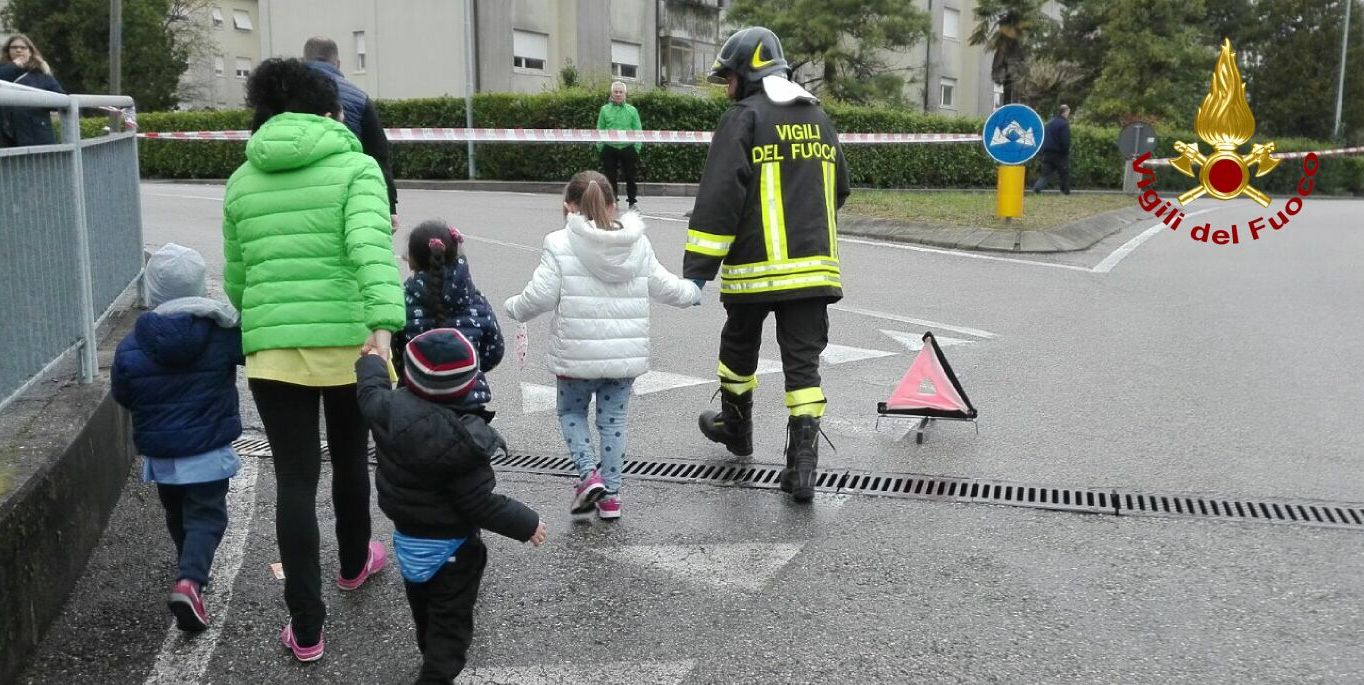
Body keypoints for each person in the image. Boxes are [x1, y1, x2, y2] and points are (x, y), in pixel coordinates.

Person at [222, 57, 405, 663]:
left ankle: (305, 629)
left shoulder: (243, 178)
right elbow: (370, 251)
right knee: (352, 458)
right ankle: (355, 565)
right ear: (330, 112)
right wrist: (384, 328)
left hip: (273, 351)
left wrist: (268, 319)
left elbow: (238, 278)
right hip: (351, 345)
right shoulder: (357, 168)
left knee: (295, 481)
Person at [683, 26, 850, 504]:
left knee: (738, 349)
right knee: (803, 367)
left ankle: (736, 431)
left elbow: (719, 198)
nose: (727, 86)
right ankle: (802, 469)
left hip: (754, 271)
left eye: (729, 77)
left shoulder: (743, 118)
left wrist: (698, 270)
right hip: (814, 273)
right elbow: (839, 188)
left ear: (747, 73)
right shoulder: (817, 116)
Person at [505, 170, 699, 519]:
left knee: (571, 413)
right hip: (623, 360)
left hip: (576, 359)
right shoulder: (636, 243)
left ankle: (587, 474)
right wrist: (692, 292)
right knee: (613, 423)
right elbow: (665, 285)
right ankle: (611, 497)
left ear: (568, 206)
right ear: (614, 205)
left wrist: (514, 307)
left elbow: (540, 296)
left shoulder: (559, 243)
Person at [356, 329, 546, 683]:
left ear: (408, 375)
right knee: (451, 623)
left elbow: (369, 393)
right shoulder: (462, 442)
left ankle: (431, 657)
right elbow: (479, 503)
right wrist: (526, 522)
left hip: (408, 539)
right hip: (453, 547)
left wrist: (371, 363)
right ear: (467, 386)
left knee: (425, 610)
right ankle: (437, 674)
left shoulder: (388, 411)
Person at [110, 244, 244, 632]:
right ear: (201, 286)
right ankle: (191, 580)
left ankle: (190, 568)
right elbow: (249, 351)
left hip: (162, 454)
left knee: (177, 513)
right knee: (208, 515)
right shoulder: (218, 334)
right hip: (207, 448)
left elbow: (123, 393)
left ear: (152, 290)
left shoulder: (132, 344)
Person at [390, 220, 503, 413]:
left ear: (412, 261)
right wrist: (466, 370)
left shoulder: (402, 302)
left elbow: (396, 353)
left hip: (415, 402)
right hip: (469, 403)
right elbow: (494, 350)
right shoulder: (475, 300)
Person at [303, 37, 400, 230]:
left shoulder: (281, 95)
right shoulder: (359, 97)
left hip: (293, 191)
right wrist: (389, 206)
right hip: (345, 191)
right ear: (338, 63)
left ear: (303, 60)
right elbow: (379, 156)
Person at [0, 34, 65, 147]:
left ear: (30, 51)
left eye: (23, 47)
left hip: (37, 137)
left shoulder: (41, 74)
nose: (18, 50)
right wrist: (13, 66)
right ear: (8, 50)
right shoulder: (3, 71)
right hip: (7, 139)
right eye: (14, 47)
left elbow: (61, 99)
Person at [596, 81, 643, 211]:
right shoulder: (604, 110)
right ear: (611, 93)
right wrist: (601, 147)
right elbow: (600, 128)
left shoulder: (632, 110)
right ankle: (612, 202)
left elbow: (638, 130)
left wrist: (636, 148)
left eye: (620, 92)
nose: (618, 94)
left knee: (631, 177)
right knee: (610, 177)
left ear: (625, 94)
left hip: (628, 147)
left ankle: (632, 202)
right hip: (609, 148)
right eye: (615, 92)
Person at [1032, 104, 1072, 195]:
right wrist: (1066, 151)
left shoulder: (1049, 123)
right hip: (1060, 154)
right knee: (1064, 173)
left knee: (1045, 175)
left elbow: (1044, 138)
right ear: (1065, 112)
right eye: (1068, 112)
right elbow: (1065, 139)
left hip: (1047, 154)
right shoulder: (1064, 124)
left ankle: (1037, 188)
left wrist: (1042, 152)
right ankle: (1065, 192)